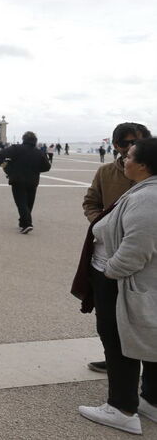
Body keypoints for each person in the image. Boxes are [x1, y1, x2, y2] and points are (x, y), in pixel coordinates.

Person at [78, 137, 157, 434]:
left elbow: (138, 247)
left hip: (124, 282)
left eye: (129, 156)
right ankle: (151, 399)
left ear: (143, 165)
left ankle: (122, 408)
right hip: (138, 283)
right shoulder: (144, 190)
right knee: (146, 336)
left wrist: (109, 271)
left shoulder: (148, 197)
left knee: (118, 340)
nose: (123, 159)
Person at [82, 122, 152, 374]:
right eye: (127, 143)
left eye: (138, 142)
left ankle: (145, 381)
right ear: (116, 146)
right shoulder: (106, 173)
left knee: (144, 317)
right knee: (107, 319)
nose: (132, 148)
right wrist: (101, 223)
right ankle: (115, 360)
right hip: (108, 253)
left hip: (142, 257)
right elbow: (90, 201)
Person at [0, 131, 51, 234]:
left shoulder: (16, 149)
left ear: (23, 139)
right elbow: (47, 167)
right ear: (35, 141)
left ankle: (26, 224)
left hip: (17, 179)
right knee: (29, 203)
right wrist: (36, 169)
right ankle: (23, 222)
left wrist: (7, 167)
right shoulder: (39, 152)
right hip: (33, 181)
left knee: (21, 202)